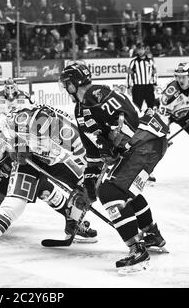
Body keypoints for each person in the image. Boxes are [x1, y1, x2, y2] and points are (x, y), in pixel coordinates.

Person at [59, 62, 168, 273]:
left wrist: (119, 140)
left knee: (111, 191)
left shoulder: (96, 93)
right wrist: (89, 182)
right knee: (118, 188)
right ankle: (151, 233)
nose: (65, 88)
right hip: (142, 145)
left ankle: (137, 251)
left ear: (74, 84)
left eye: (66, 83)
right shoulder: (80, 110)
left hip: (143, 140)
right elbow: (93, 152)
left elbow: (129, 115)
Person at [0, 105, 98, 262]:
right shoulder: (17, 119)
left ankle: (73, 221)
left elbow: (89, 164)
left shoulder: (69, 134)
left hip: (58, 160)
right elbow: (5, 134)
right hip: (30, 160)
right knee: (14, 202)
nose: (38, 140)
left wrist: (87, 188)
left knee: (85, 191)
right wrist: (19, 148)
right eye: (35, 135)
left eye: (42, 137)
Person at [127, 42, 158, 111]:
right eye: (139, 49)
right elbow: (129, 74)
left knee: (151, 106)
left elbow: (154, 73)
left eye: (142, 49)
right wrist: (129, 86)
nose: (140, 51)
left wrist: (155, 83)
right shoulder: (134, 62)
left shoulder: (150, 61)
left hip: (148, 87)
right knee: (137, 108)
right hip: (138, 87)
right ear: (137, 51)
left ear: (145, 50)